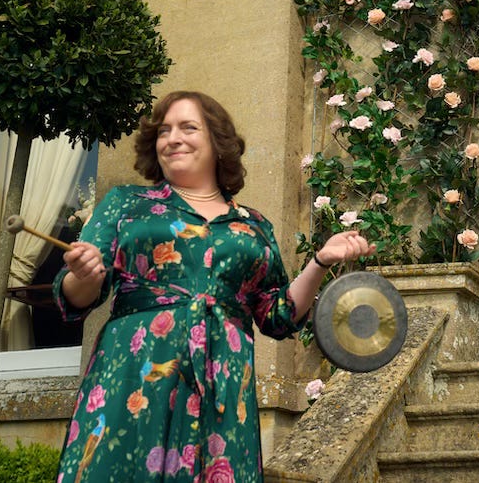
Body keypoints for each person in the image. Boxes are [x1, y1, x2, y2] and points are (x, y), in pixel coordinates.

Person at [52, 91, 375, 482]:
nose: (172, 138)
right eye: (164, 131)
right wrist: (82, 275)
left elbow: (278, 315)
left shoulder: (253, 225)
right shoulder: (126, 203)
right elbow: (79, 296)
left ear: (217, 143)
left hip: (223, 380)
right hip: (136, 371)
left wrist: (320, 261)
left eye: (188, 127)